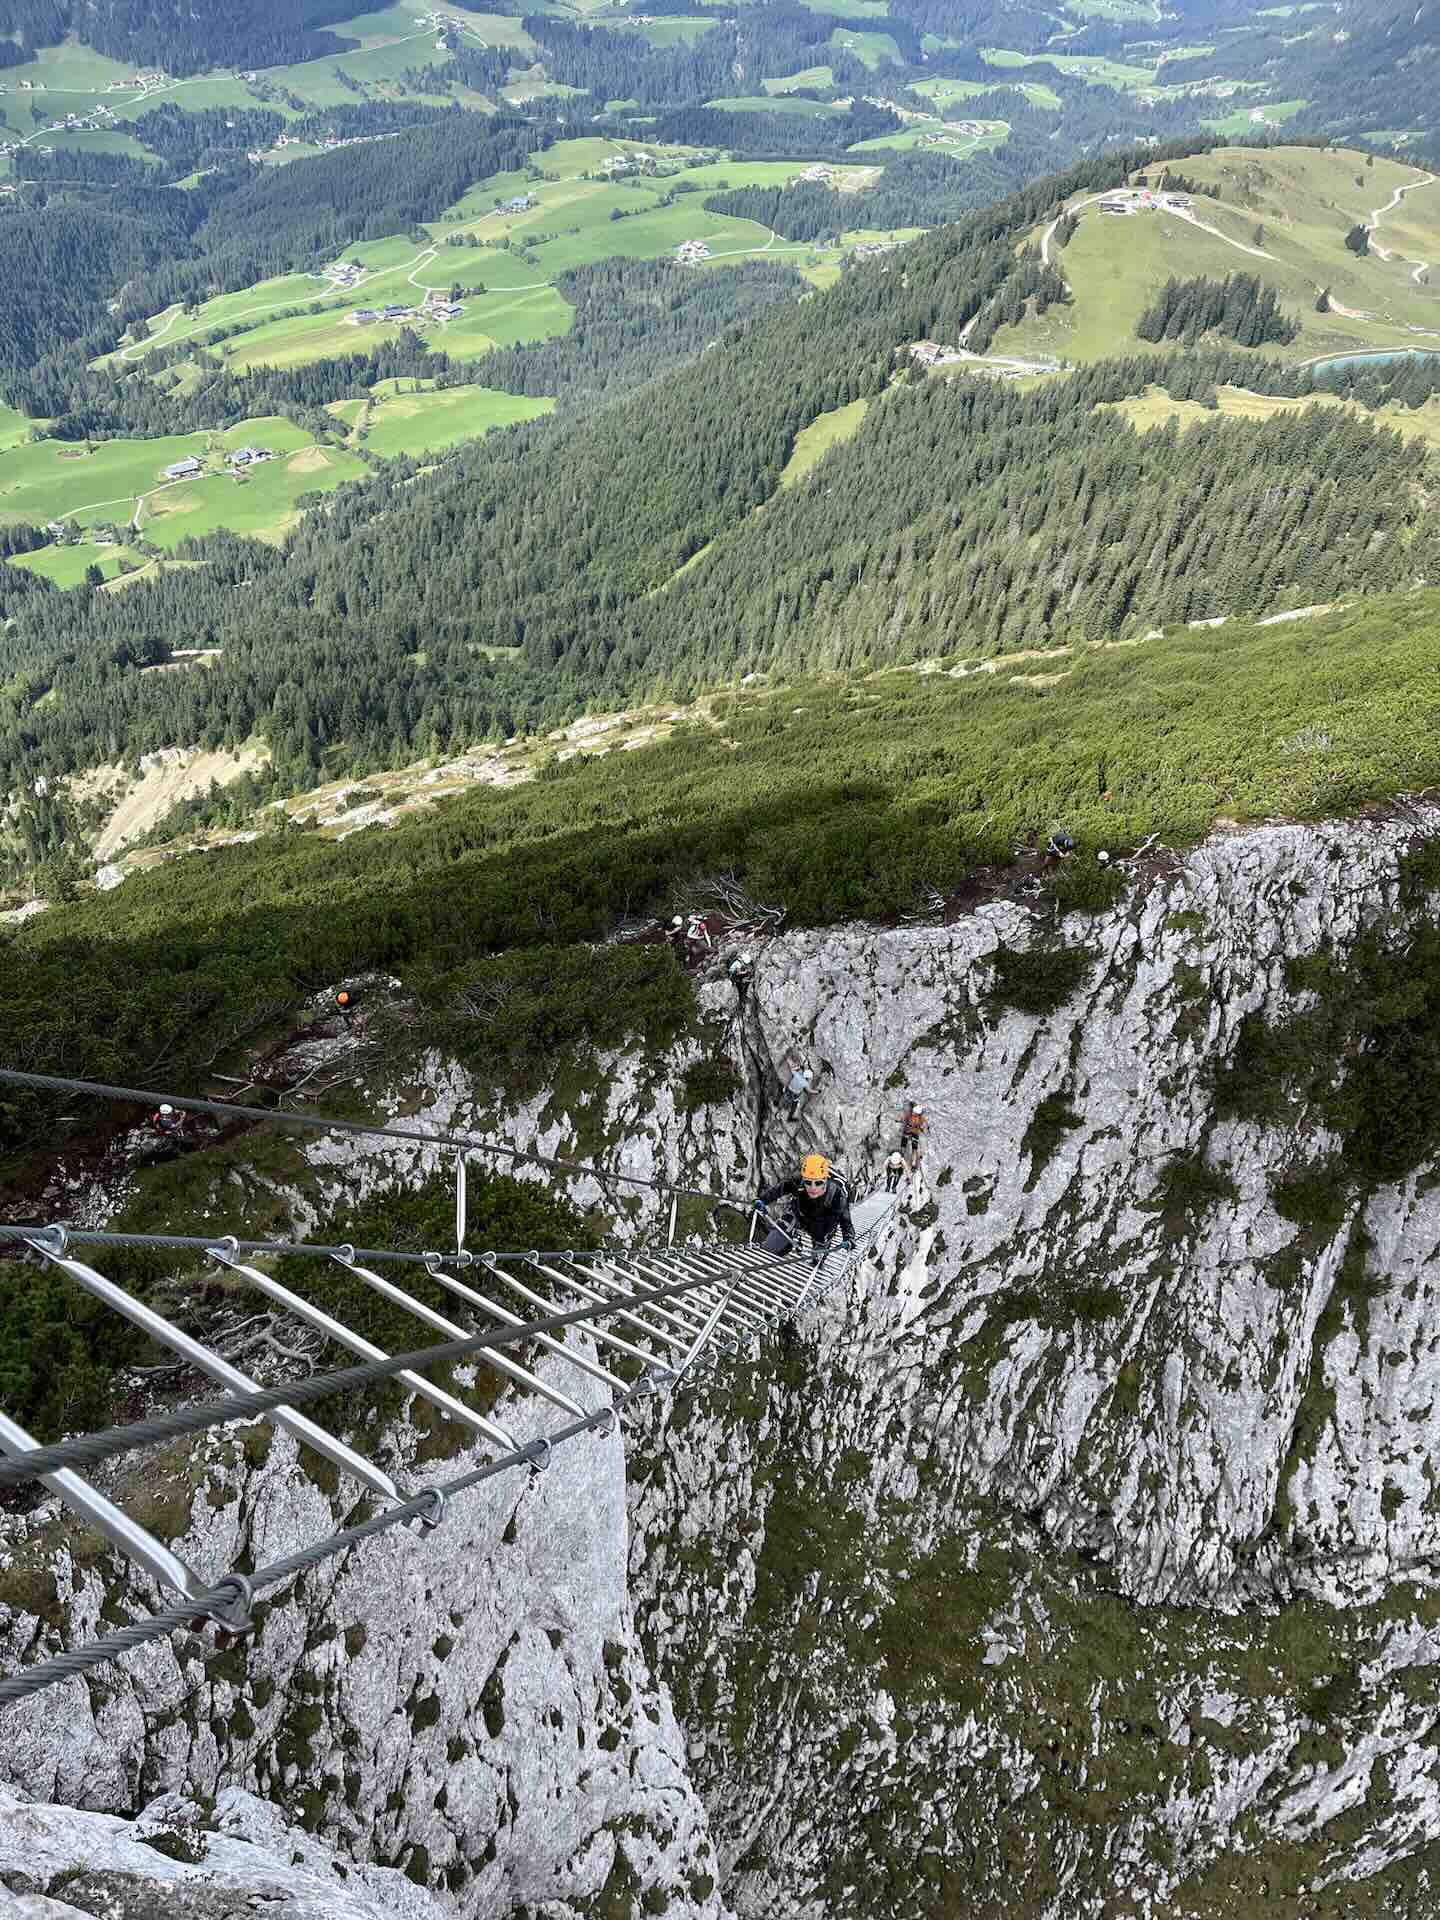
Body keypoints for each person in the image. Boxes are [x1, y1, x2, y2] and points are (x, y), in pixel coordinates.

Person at [756, 1153, 855, 1259]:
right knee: (770, 1246)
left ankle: (817, 1255)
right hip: (800, 1216)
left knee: (818, 1258)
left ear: (826, 1180)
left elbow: (845, 1220)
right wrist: (762, 1200)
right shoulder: (798, 1182)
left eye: (818, 1183)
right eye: (808, 1182)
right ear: (804, 1179)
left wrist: (849, 1237)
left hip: (822, 1227)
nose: (812, 1187)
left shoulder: (836, 1194)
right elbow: (780, 1188)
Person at [901, 1103, 929, 1169]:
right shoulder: (921, 1118)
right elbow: (925, 1127)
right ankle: (912, 1163)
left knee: (907, 1146)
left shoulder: (911, 1116)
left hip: (909, 1132)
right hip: (913, 1133)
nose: (913, 1112)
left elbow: (903, 1119)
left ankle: (907, 1161)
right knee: (913, 1148)